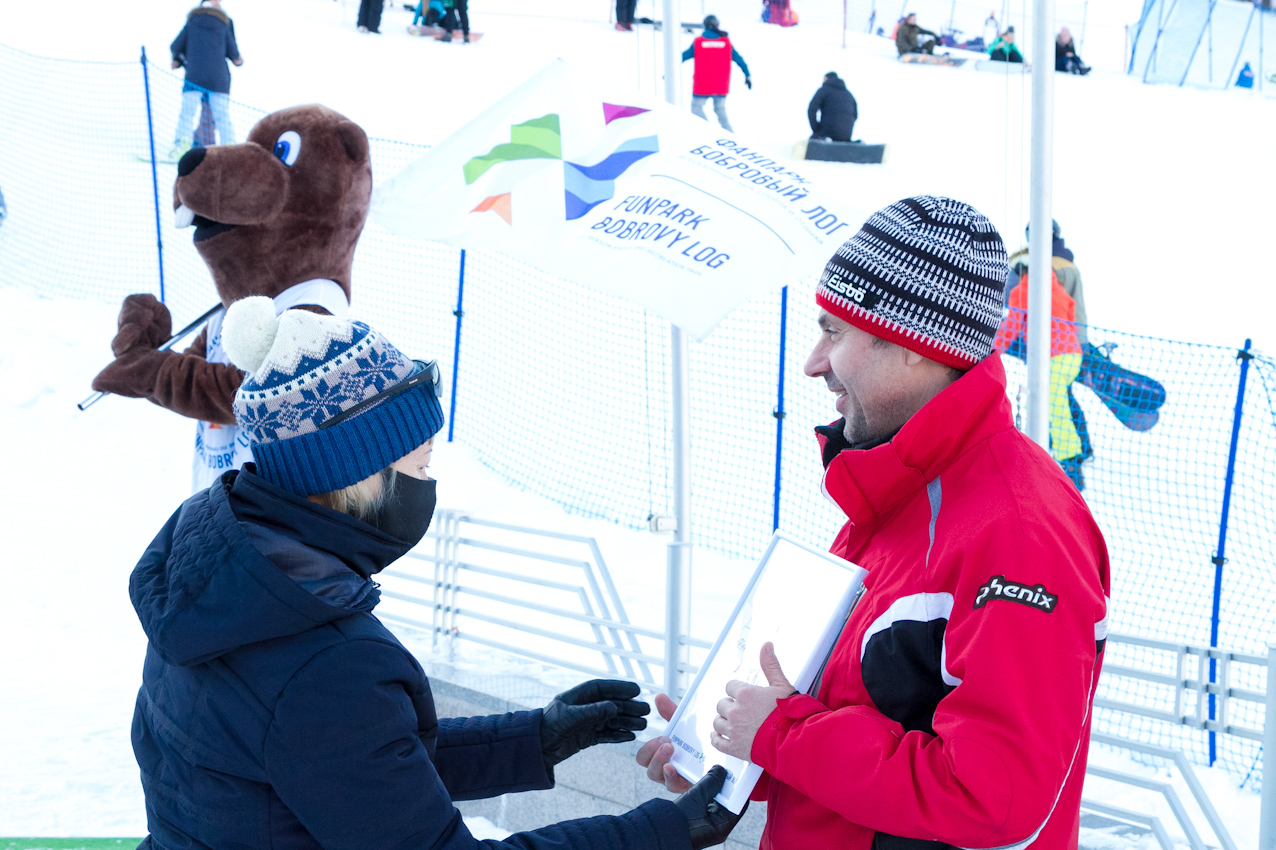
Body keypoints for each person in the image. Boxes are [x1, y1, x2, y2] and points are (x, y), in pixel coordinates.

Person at [128, 296, 742, 850]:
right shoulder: (326, 658)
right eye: (421, 464)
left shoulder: (222, 585)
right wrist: (661, 833)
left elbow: (350, 770)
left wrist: (534, 739)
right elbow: (348, 750)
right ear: (357, 475)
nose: (429, 483)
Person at [637, 196, 1111, 850]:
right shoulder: (895, 491)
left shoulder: (1019, 532)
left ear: (914, 344)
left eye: (835, 332)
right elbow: (863, 731)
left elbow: (994, 796)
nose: (814, 362)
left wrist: (781, 733)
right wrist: (732, 751)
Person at [1003, 220, 1093, 488]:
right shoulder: (1061, 281)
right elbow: (1074, 311)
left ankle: (1069, 458)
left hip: (1049, 351)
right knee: (1056, 397)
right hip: (1069, 351)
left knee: (1052, 400)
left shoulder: (1025, 288)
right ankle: (1073, 446)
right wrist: (1080, 343)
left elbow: (1012, 324)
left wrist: (994, 347)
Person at [169, 0, 242, 160]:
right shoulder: (224, 23)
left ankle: (181, 147)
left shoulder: (192, 22)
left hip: (194, 77)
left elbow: (175, 46)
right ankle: (231, 151)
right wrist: (238, 59)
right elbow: (235, 55)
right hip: (219, 79)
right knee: (222, 116)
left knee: (187, 114)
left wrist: (179, 60)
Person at [682, 15, 752, 133]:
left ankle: (709, 131)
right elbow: (739, 60)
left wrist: (668, 71)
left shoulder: (699, 42)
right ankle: (730, 135)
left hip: (702, 86)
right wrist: (747, 75)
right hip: (720, 85)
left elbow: (682, 56)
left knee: (696, 108)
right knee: (720, 111)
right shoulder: (725, 42)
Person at [807, 71, 857, 142]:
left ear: (826, 78)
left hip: (826, 133)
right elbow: (855, 115)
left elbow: (811, 109)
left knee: (811, 143)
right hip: (846, 136)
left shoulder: (824, 90)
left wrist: (817, 129)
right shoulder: (849, 94)